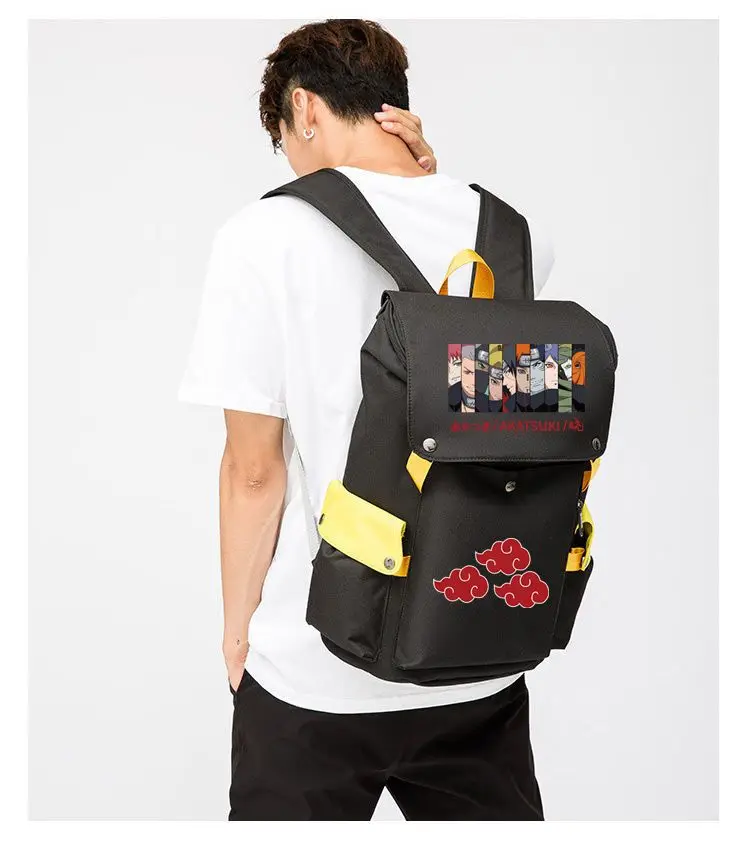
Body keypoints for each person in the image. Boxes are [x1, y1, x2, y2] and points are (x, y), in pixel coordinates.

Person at [180, 18, 554, 821]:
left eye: (284, 138)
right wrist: (430, 181)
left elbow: (253, 471)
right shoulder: (514, 234)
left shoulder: (261, 236)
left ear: (304, 107)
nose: (290, 159)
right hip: (477, 648)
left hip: (316, 664)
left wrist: (239, 633)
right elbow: (484, 404)